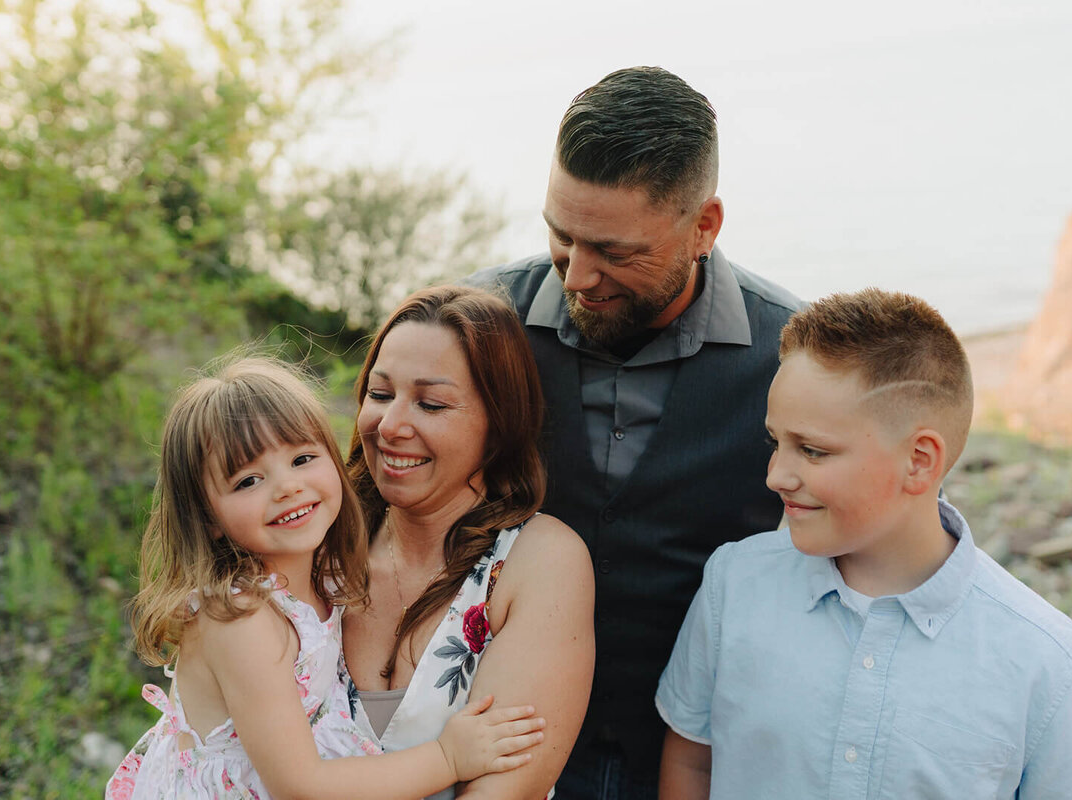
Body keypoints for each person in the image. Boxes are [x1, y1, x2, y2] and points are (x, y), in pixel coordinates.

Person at [464, 66, 804, 797]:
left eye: (615, 251)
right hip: (494, 751)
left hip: (707, 758)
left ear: (703, 226)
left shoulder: (798, 357)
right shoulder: (475, 323)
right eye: (562, 236)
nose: (579, 276)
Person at [656, 288, 1072, 798]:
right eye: (777, 442)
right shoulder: (734, 583)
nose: (776, 476)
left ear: (920, 460)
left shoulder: (1047, 661)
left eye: (812, 451)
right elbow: (693, 762)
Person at [106, 356, 546, 800]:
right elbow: (303, 786)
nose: (286, 487)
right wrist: (449, 758)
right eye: (247, 481)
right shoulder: (242, 619)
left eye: (302, 458)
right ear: (207, 517)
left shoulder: (321, 578)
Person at [341, 285, 595, 800]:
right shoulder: (319, 543)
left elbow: (507, 788)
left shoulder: (539, 562)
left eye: (431, 404)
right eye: (380, 394)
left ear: (498, 424)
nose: (390, 426)